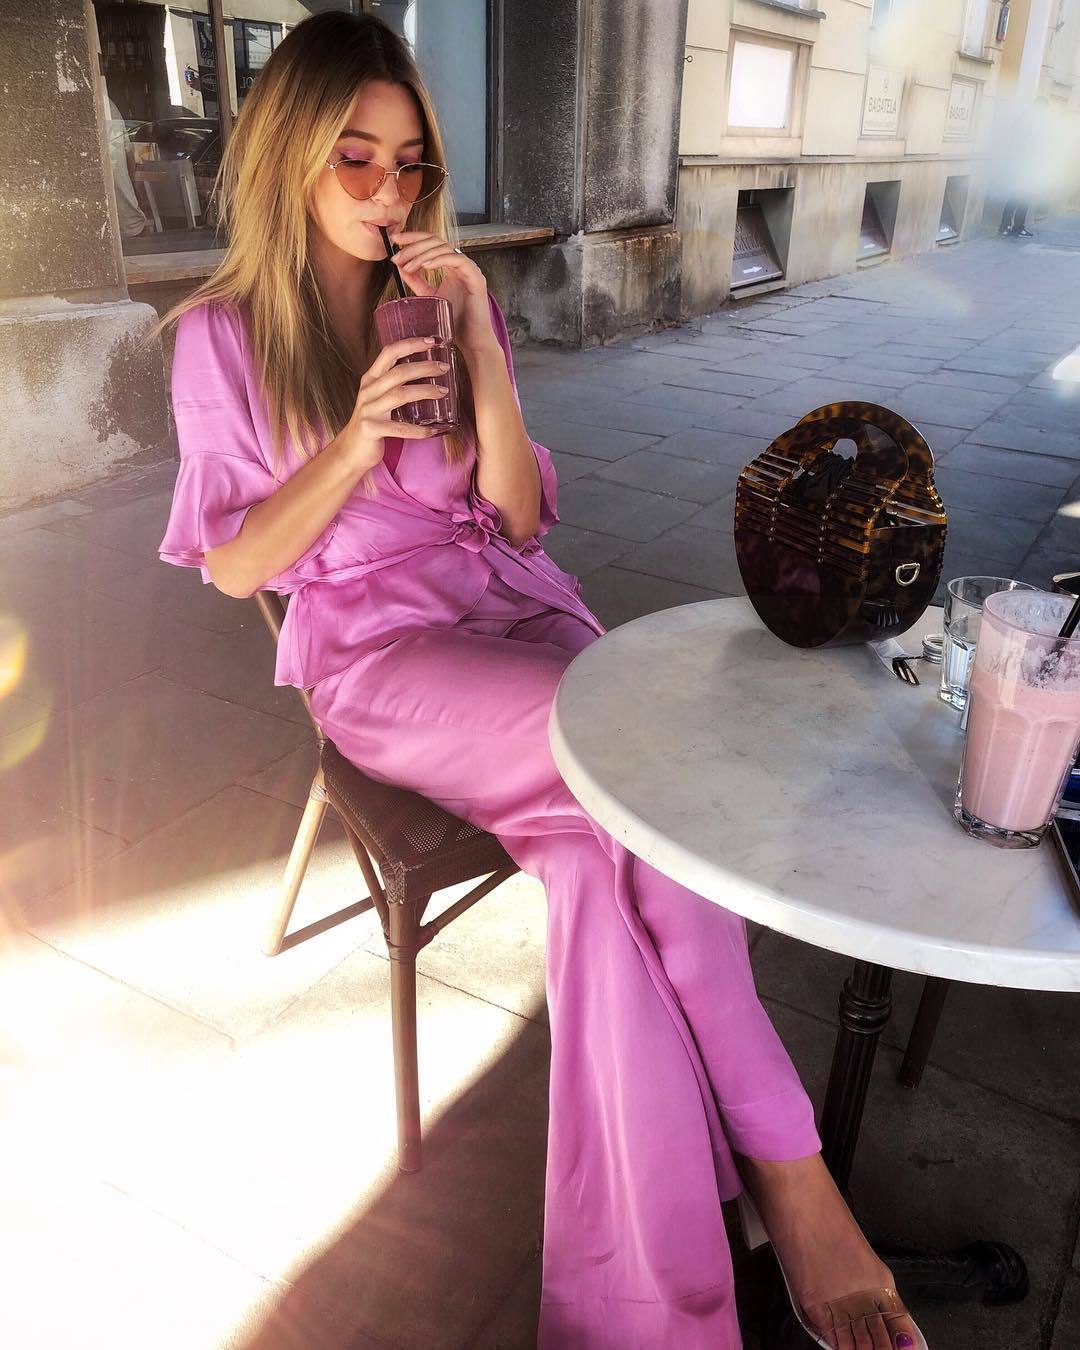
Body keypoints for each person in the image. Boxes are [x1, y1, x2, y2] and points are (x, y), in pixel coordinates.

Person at [154, 13, 927, 1349]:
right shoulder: (221, 339)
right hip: (381, 658)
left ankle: (655, 1302)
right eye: (355, 158)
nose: (390, 189)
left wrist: (478, 344)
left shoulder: (438, 297)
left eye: (410, 161)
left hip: (515, 608)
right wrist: (354, 442)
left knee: (600, 852)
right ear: (288, 157)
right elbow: (234, 566)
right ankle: (793, 1181)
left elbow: (517, 517)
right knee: (641, 793)